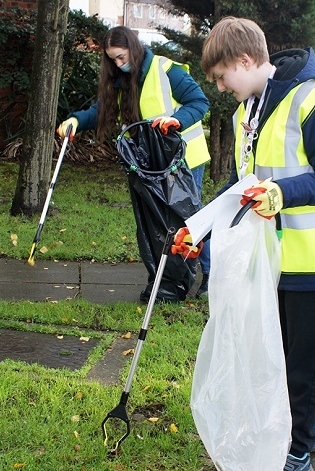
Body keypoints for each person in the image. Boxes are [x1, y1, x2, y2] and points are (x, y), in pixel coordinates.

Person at [175, 17, 315, 471]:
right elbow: (243, 186)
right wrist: (199, 228)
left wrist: (281, 194)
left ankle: (297, 448)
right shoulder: (248, 111)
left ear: (245, 60)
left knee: (305, 360)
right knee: (279, 354)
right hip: (275, 259)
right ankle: (307, 430)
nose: (219, 88)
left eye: (221, 77)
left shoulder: (314, 98)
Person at [57, 26, 211, 299]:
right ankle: (170, 280)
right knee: (166, 224)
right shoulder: (123, 80)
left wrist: (177, 121)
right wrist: (77, 120)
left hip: (185, 160)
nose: (118, 64)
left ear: (133, 47)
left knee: (193, 220)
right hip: (154, 165)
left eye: (121, 56)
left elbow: (199, 102)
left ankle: (210, 275)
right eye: (113, 60)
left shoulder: (166, 70)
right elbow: (102, 110)